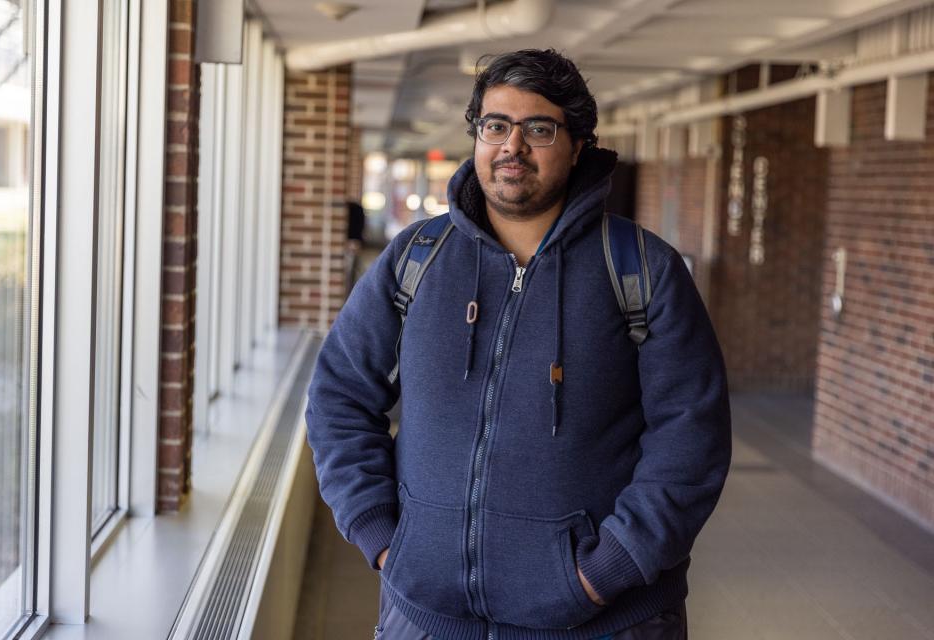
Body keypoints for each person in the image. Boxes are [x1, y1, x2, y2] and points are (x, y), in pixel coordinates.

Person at [306, 49, 731, 640]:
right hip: (428, 618)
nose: (512, 146)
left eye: (539, 128)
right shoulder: (415, 258)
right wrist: (382, 538)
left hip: (602, 622)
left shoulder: (641, 268)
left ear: (578, 144)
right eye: (495, 125)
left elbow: (693, 438)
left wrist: (604, 570)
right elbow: (338, 396)